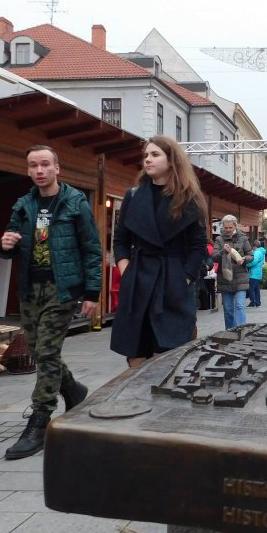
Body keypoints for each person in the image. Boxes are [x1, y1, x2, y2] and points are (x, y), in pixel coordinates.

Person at [0, 145, 101, 460]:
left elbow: (92, 249)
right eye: (33, 165)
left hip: (61, 288)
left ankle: (40, 420)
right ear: (28, 170)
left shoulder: (75, 203)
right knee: (42, 351)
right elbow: (9, 245)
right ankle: (73, 390)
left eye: (44, 164)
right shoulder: (23, 205)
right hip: (30, 288)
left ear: (57, 168)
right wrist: (4, 245)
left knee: (46, 352)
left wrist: (92, 293)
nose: (39, 170)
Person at [110, 137, 208, 369]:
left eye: (155, 155)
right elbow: (121, 240)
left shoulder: (189, 198)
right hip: (138, 281)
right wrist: (127, 271)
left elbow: (198, 246)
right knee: (135, 352)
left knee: (168, 355)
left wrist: (185, 277)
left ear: (171, 160)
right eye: (146, 155)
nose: (147, 160)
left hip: (172, 282)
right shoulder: (133, 196)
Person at [213, 215, 253, 329]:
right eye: (226, 227)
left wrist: (245, 259)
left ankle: (241, 331)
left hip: (240, 279)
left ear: (235, 226)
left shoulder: (243, 238)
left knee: (240, 306)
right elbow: (214, 257)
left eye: (230, 227)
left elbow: (251, 256)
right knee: (228, 309)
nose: (228, 230)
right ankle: (230, 332)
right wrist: (223, 251)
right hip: (225, 278)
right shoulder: (219, 239)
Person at [246, 240, 265, 307]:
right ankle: (258, 302)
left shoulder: (257, 252)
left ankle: (253, 302)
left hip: (253, 273)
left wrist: (247, 265)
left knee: (251, 288)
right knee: (256, 289)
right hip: (258, 272)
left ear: (254, 246)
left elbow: (254, 261)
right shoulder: (261, 251)